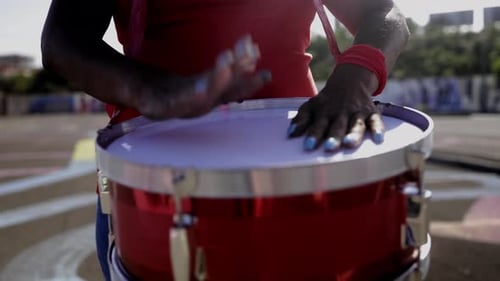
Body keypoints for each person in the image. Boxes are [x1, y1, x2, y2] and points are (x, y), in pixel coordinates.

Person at [41, 0, 410, 280]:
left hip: (304, 165)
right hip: (155, 179)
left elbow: (384, 13)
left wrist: (354, 79)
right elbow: (63, 41)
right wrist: (159, 91)